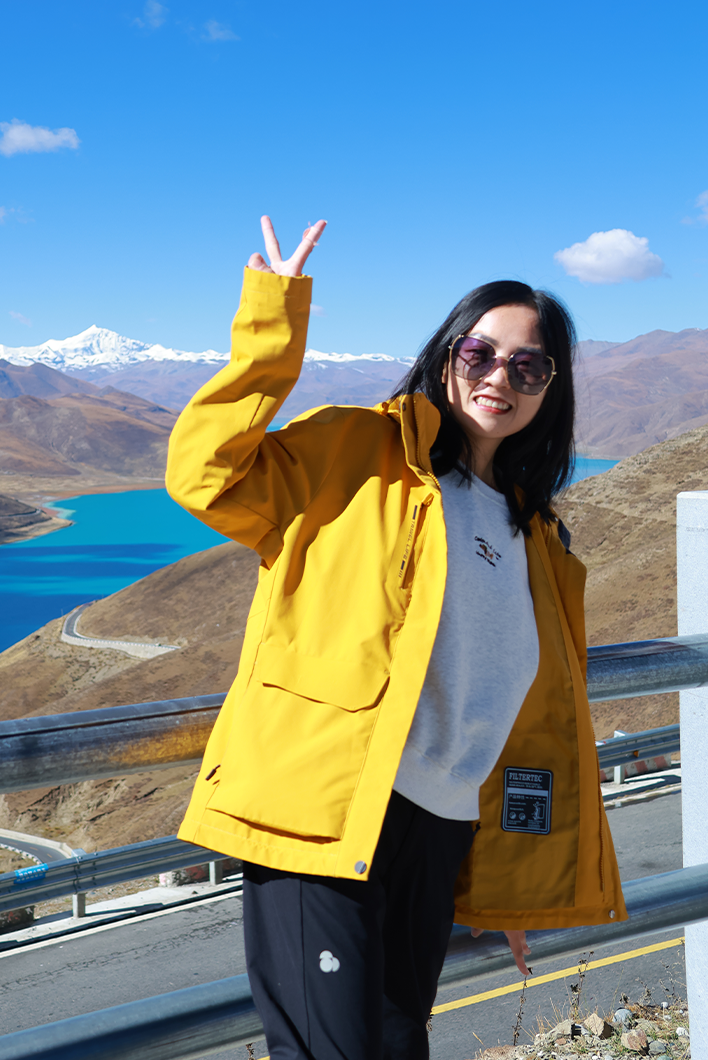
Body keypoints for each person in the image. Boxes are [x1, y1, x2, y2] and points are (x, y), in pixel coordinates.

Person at [165, 217, 627, 1060]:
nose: (501, 377)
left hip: (439, 827)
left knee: (395, 1043)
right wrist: (274, 322)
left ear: (550, 388)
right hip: (324, 809)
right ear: (445, 352)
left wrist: (513, 890)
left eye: (529, 365)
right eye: (480, 354)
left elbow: (526, 728)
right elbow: (206, 477)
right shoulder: (359, 449)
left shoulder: (538, 537)